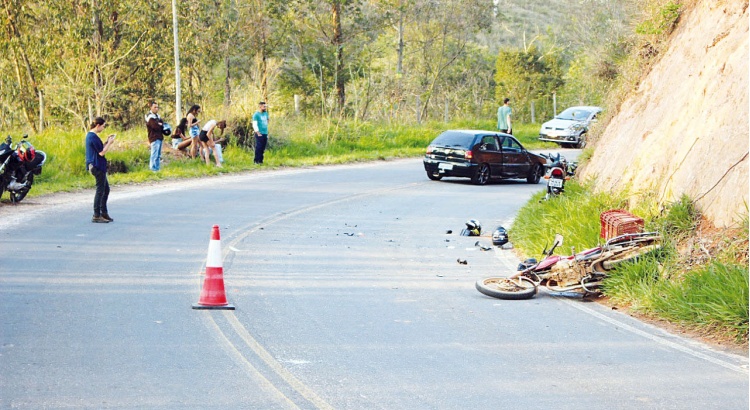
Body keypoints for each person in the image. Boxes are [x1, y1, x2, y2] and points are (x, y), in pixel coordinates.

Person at [85, 117, 116, 223]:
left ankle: (103, 212)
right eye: (103, 126)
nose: (103, 128)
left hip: (98, 165)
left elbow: (100, 148)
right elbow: (102, 152)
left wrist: (107, 141)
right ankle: (96, 214)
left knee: (105, 189)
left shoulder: (92, 136)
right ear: (98, 125)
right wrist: (110, 143)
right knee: (100, 190)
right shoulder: (92, 137)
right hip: (97, 166)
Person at [145, 101, 166, 171]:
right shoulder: (149, 116)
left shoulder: (158, 116)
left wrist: (160, 124)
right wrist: (159, 124)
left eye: (157, 107)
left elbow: (163, 125)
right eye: (155, 107)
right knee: (154, 154)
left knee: (158, 155)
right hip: (153, 137)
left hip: (159, 137)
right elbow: (155, 126)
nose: (156, 109)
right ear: (151, 107)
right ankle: (152, 169)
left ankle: (157, 169)